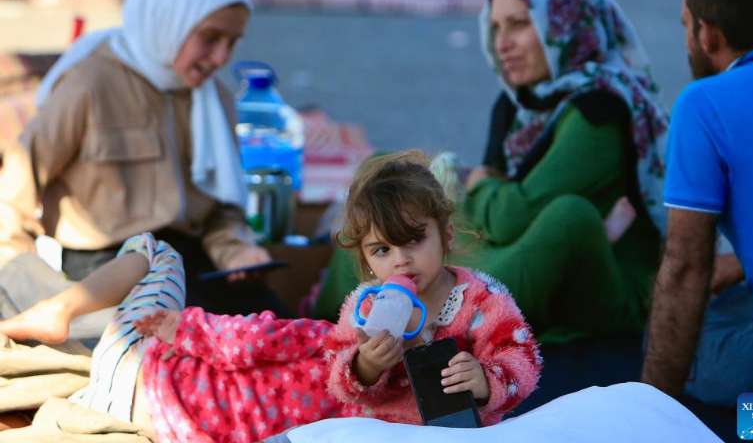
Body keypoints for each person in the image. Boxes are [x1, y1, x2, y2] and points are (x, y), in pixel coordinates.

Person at [0, 151, 542, 442]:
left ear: (446, 236)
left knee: (155, 252)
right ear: (365, 262)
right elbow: (335, 375)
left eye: (414, 241)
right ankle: (63, 311)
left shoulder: (479, 299)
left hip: (150, 379)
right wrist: (367, 368)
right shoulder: (363, 309)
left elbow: (523, 358)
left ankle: (68, 314)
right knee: (158, 257)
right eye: (381, 252)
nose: (399, 262)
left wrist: (488, 382)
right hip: (151, 373)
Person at [315, 0, 669, 345]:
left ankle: (428, 317)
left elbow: (510, 217)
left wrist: (480, 183)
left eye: (519, 24)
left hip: (593, 277)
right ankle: (324, 331)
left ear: (564, 25)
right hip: (515, 241)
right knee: (382, 176)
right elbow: (501, 216)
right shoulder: (519, 103)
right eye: (497, 27)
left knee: (571, 218)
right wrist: (481, 188)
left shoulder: (598, 112)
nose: (502, 44)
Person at [0, 0, 290, 317]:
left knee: (283, 329)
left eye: (232, 43)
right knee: (191, 343)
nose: (221, 58)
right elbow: (15, 191)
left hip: (190, 257)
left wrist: (236, 250)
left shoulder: (214, 98)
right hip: (105, 267)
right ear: (170, 20)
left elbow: (219, 207)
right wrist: (20, 275)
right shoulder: (91, 84)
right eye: (210, 38)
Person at [641, 0, 753, 421]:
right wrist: (744, 267)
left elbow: (686, 268)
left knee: (682, 343)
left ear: (707, 35)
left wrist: (646, 415)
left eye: (687, 28)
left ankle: (744, 430)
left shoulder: (705, 103)